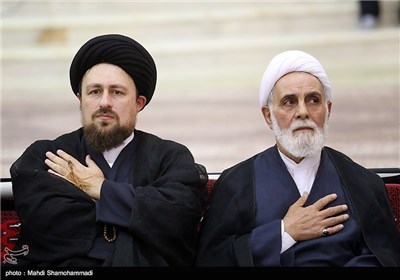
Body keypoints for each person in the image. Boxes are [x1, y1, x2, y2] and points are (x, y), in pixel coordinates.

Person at [8, 34, 207, 267]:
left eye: (117, 92)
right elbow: (51, 224)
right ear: (80, 98)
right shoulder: (47, 156)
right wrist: (140, 215)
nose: (104, 102)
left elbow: (177, 216)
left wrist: (100, 189)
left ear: (138, 103)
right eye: (94, 92)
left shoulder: (170, 156)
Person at [195, 50, 400, 267]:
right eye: (289, 102)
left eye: (313, 100)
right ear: (268, 116)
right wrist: (284, 232)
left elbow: (385, 257)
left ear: (327, 110)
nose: (303, 111)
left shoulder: (362, 183)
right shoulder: (237, 182)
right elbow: (212, 258)